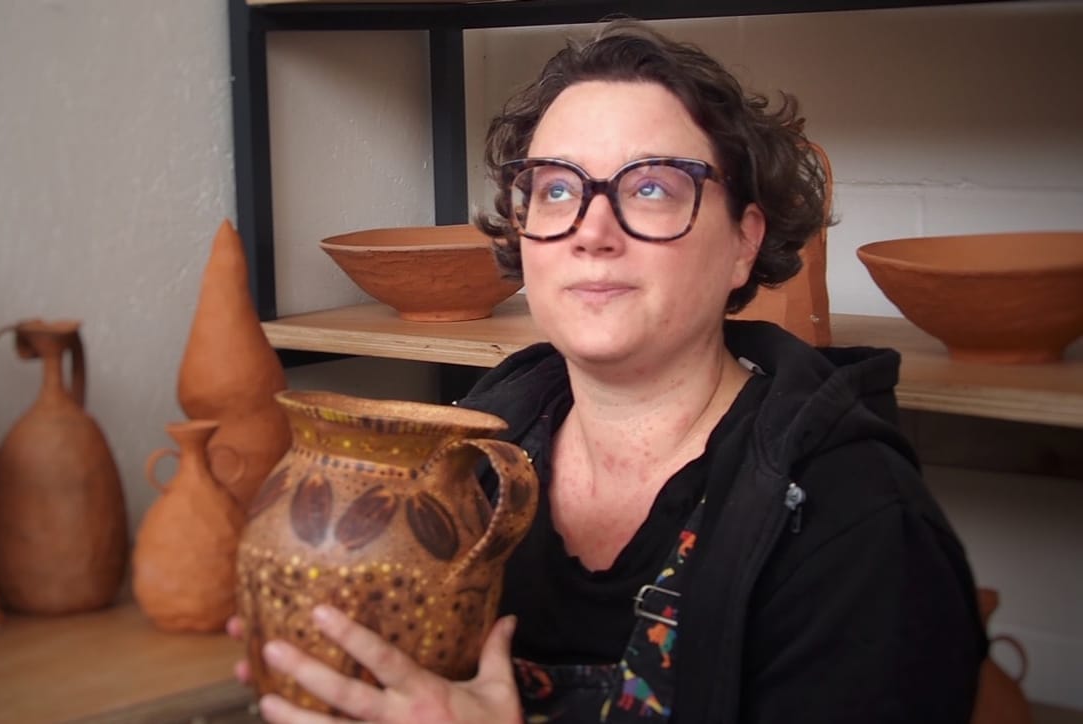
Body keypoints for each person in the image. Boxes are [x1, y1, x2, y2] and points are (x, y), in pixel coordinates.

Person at [232, 21, 987, 723]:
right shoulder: (472, 464)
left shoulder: (858, 526)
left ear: (742, 243)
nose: (591, 232)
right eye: (557, 188)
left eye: (651, 187)